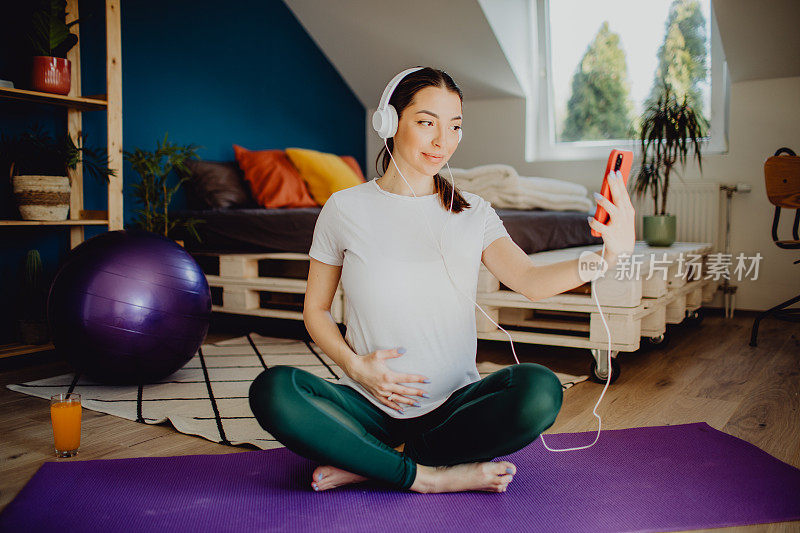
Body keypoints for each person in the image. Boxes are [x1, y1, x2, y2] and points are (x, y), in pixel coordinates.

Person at [249, 67, 635, 494]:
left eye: (454, 127)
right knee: (274, 389)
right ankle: (429, 475)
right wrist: (356, 367)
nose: (442, 141)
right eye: (426, 122)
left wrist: (608, 255)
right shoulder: (344, 209)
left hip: (455, 406)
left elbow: (529, 279)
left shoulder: (475, 212)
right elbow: (315, 310)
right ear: (390, 123)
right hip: (370, 401)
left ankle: (375, 462)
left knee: (541, 389)